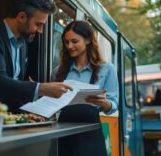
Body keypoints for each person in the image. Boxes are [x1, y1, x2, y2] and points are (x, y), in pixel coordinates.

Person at [0, 0, 72, 113]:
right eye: (38, 24)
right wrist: (41, 88)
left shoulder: (23, 44)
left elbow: (14, 85)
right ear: (22, 17)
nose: (40, 31)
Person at [51, 20, 118, 156]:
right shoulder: (58, 72)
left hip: (91, 134)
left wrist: (103, 103)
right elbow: (52, 103)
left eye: (74, 41)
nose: (69, 46)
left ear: (88, 40)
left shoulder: (107, 69)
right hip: (64, 133)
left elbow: (114, 105)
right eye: (66, 42)